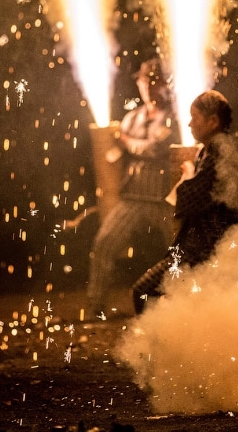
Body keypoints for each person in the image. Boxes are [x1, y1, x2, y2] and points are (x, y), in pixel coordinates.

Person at [84, 58, 179, 316]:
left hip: (164, 200)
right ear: (139, 83)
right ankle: (96, 306)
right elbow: (115, 154)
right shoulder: (131, 118)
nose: (149, 86)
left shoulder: (172, 117)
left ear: (164, 83)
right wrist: (108, 145)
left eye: (154, 81)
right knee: (105, 243)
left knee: (181, 251)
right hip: (133, 198)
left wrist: (124, 141)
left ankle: (187, 303)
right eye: (144, 81)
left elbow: (155, 149)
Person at [131, 90, 238, 314]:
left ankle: (154, 345)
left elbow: (190, 200)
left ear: (213, 121)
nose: (190, 123)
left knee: (143, 290)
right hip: (201, 245)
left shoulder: (220, 152)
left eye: (195, 117)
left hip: (206, 247)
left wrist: (188, 175)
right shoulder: (208, 150)